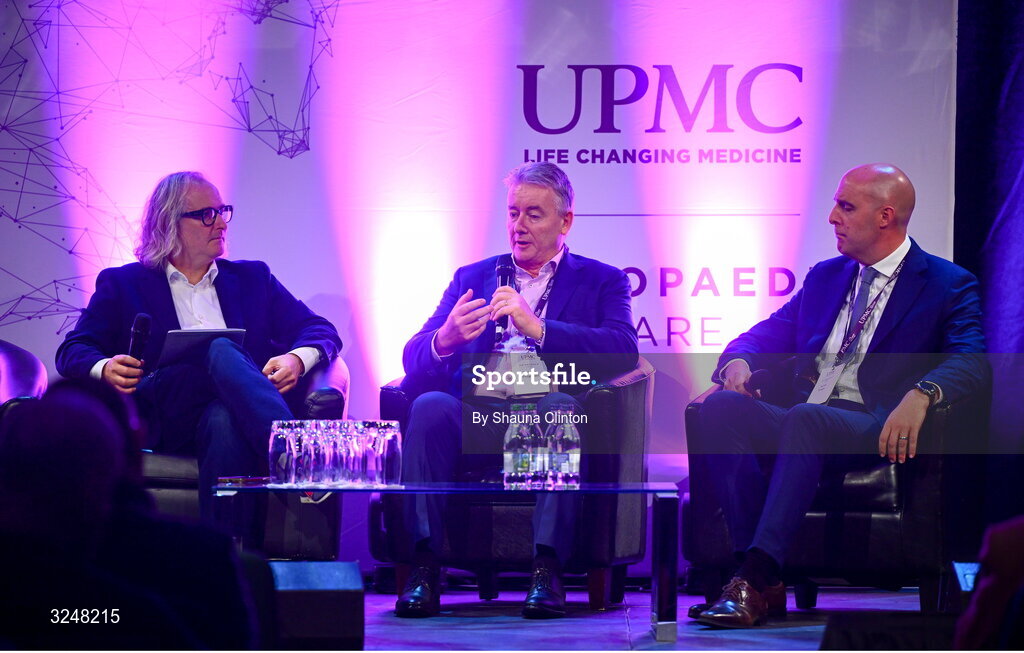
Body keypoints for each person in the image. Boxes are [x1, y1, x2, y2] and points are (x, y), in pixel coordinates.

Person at [690, 163, 988, 628]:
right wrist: (737, 360)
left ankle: (755, 574)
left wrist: (923, 392)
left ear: (885, 216)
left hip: (872, 422)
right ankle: (755, 578)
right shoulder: (827, 277)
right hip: (803, 418)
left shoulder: (947, 284)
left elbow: (972, 360)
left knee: (806, 418)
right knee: (723, 407)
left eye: (846, 207)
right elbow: (763, 333)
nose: (832, 217)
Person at [396, 161, 638, 619]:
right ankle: (425, 567)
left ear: (565, 222)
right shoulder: (473, 277)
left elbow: (624, 349)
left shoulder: (602, 280)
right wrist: (444, 340)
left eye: (533, 214)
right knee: (428, 408)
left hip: (545, 409)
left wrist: (539, 327)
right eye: (512, 213)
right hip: (479, 413)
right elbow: (413, 357)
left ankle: (546, 570)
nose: (518, 227)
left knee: (557, 408)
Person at [55, 171, 342, 541]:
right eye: (207, 214)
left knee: (223, 418)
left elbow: (320, 330)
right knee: (219, 347)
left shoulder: (253, 279)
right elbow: (72, 350)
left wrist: (296, 360)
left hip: (235, 414)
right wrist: (104, 367)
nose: (221, 222)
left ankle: (231, 559)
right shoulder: (124, 284)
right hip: (166, 410)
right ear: (170, 224)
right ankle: (297, 457)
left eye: (223, 211)